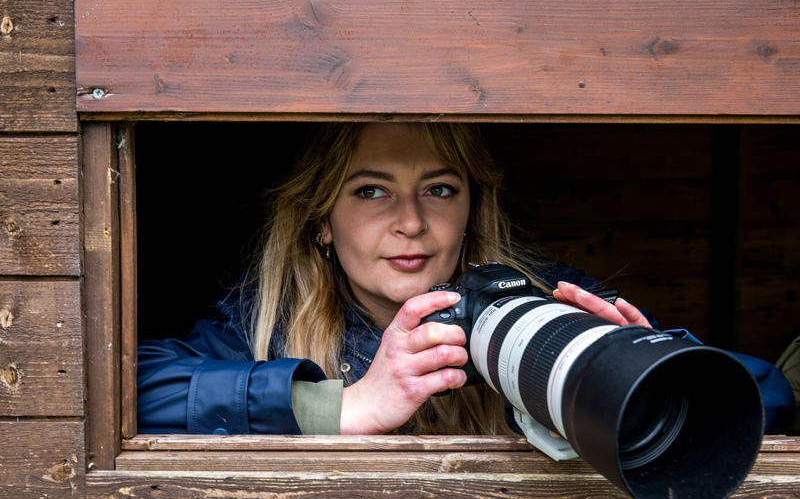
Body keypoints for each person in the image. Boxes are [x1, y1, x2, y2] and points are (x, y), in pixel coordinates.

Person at [138, 122, 795, 436]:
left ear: (469, 208)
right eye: (371, 191)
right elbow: (131, 391)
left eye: (440, 189)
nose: (412, 223)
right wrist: (346, 404)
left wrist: (652, 379)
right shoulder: (268, 322)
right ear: (323, 222)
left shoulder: (537, 300)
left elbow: (770, 393)